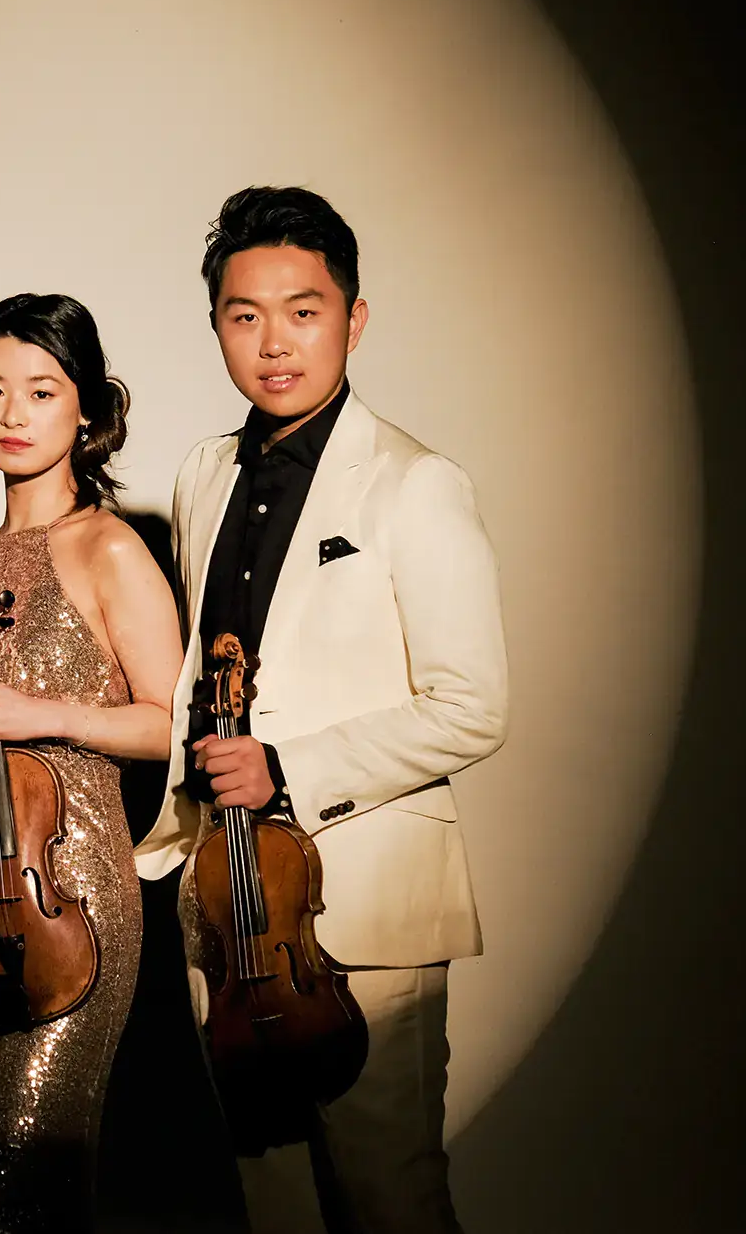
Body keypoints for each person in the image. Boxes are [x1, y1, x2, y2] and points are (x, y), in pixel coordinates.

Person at [135, 187, 509, 1234]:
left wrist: (288, 767)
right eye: (244, 315)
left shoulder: (415, 483)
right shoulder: (204, 472)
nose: (273, 342)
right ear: (216, 325)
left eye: (303, 311)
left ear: (354, 317)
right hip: (226, 904)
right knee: (270, 1208)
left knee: (388, 1200)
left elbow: (473, 706)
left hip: (365, 912)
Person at [0, 293, 183, 1231]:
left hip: (67, 892)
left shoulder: (108, 545)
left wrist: (46, 715)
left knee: (30, 1177)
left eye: (41, 390)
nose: (13, 413)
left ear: (86, 408)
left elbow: (171, 725)